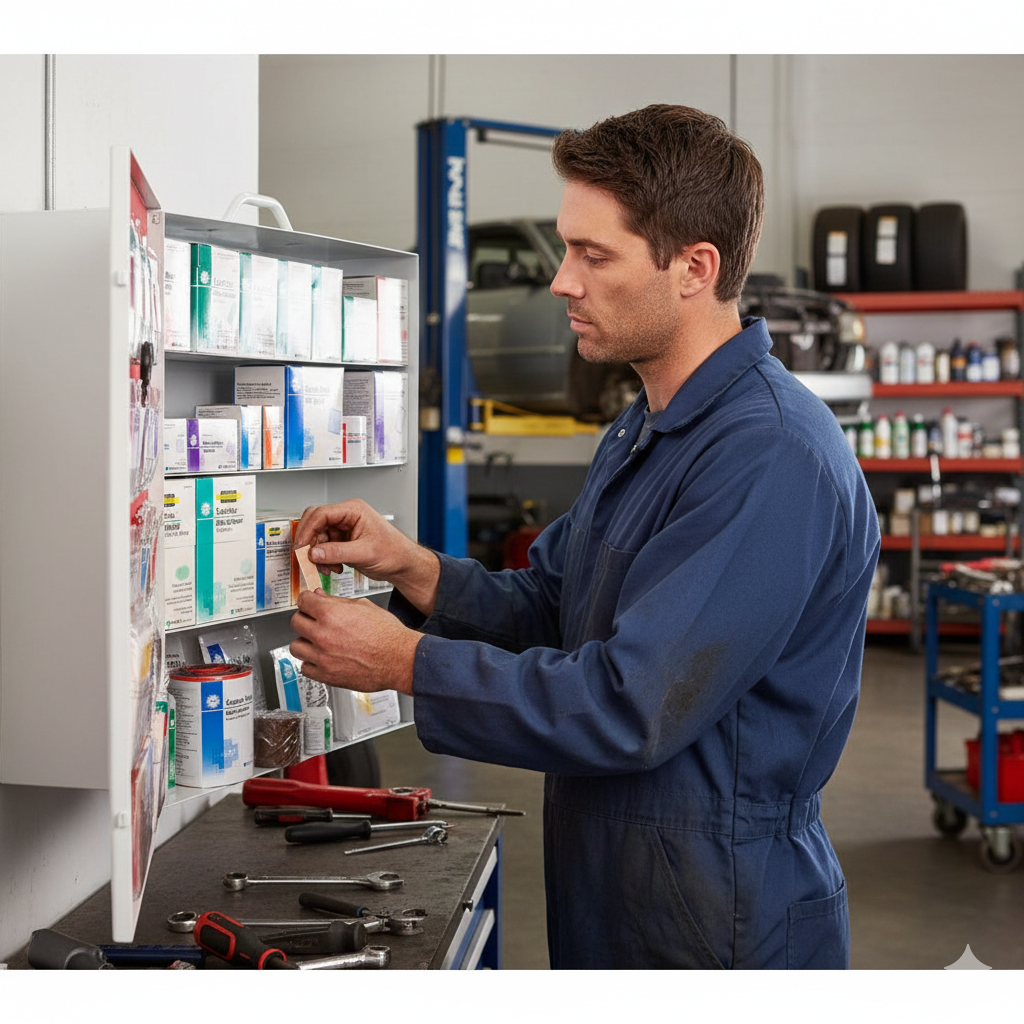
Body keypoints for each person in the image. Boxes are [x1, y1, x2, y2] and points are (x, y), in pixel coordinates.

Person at [289, 104, 880, 970]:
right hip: (622, 880)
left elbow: (628, 704)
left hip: (724, 915)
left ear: (695, 268)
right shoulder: (650, 425)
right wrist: (415, 570)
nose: (564, 281)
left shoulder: (769, 456)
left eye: (593, 254)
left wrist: (406, 664)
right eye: (566, 249)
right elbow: (556, 602)